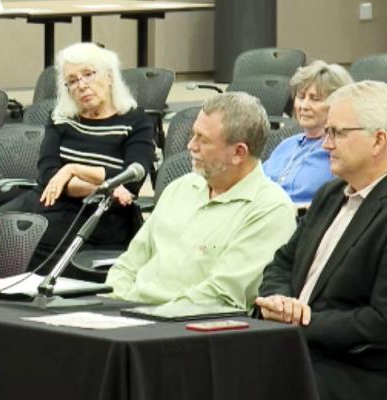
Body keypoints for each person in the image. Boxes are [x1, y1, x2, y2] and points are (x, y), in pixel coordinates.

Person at [105, 92, 296, 311]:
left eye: (202, 139)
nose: (190, 146)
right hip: (128, 312)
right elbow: (128, 265)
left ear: (238, 153)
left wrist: (143, 316)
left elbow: (220, 295)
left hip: (183, 329)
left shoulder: (271, 209)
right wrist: (113, 304)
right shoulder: (181, 187)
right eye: (192, 135)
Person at [257, 81, 387, 400]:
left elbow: (380, 322)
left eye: (337, 133)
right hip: (297, 349)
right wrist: (279, 300)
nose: (326, 145)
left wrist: (303, 321)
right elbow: (282, 264)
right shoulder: (329, 195)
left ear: (378, 141)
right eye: (326, 132)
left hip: (355, 370)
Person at [0, 42, 155, 271]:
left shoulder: (136, 121)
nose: (81, 85)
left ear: (110, 76)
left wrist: (72, 170)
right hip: (53, 202)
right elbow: (49, 175)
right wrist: (104, 185)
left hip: (104, 214)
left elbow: (131, 179)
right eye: (72, 81)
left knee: (32, 243)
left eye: (88, 75)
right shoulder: (62, 119)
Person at [263, 60, 353, 205]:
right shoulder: (286, 144)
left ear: (338, 103)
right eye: (301, 97)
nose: (304, 106)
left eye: (315, 99)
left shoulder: (338, 151)